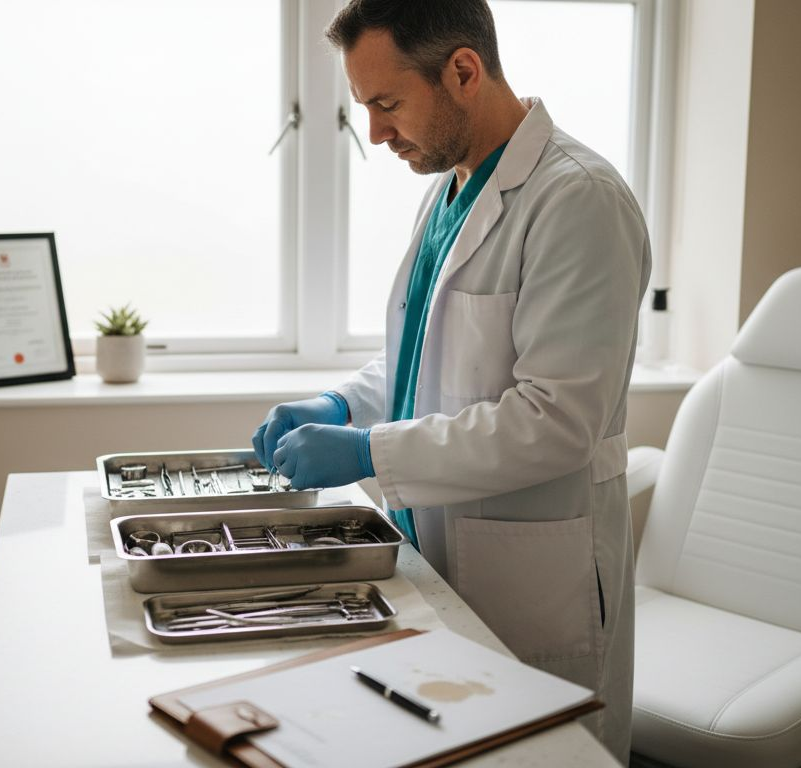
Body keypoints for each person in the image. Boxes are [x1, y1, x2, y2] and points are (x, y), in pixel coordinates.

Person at [251, 0, 650, 759]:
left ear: (463, 71)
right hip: (431, 554)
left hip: (530, 575)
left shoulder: (579, 200)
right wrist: (341, 403)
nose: (375, 133)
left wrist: (367, 451)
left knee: (542, 756)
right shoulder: (449, 191)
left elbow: (558, 420)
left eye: (387, 103)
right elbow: (425, 359)